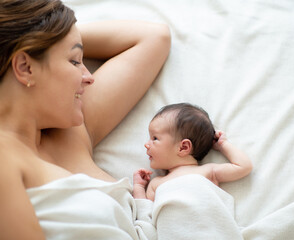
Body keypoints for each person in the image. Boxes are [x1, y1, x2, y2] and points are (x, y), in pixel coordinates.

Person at [0, 0, 170, 239]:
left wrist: (57, 36)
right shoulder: (4, 155)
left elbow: (154, 37)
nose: (88, 77)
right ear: (26, 67)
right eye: (74, 61)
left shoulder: (72, 131)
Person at [133, 103, 253, 201]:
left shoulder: (208, 171)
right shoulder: (156, 183)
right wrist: (138, 187)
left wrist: (223, 145)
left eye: (155, 138)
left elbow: (244, 166)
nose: (146, 144)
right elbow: (145, 214)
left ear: (183, 147)